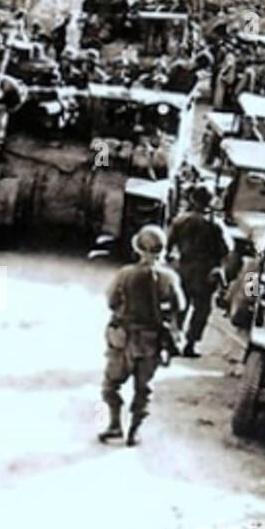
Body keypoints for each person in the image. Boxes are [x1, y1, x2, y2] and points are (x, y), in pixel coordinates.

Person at [99, 225, 186, 447]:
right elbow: (181, 305)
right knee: (143, 389)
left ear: (137, 248)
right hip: (151, 340)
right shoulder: (170, 277)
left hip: (124, 338)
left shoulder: (125, 274)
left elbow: (111, 302)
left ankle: (115, 425)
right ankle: (134, 431)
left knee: (111, 384)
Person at [167, 186, 233, 358]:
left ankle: (173, 342)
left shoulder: (180, 221)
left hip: (184, 268)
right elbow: (225, 250)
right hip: (205, 273)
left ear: (192, 200)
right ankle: (190, 344)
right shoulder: (215, 225)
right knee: (201, 310)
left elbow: (167, 246)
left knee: (180, 306)